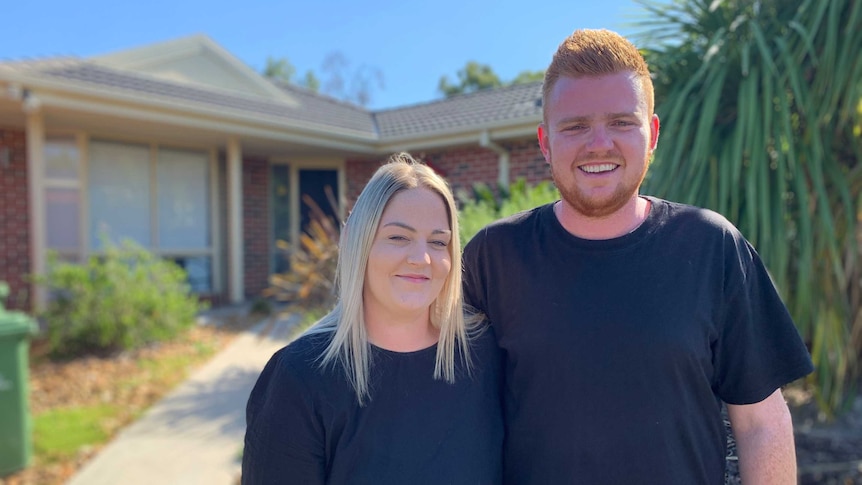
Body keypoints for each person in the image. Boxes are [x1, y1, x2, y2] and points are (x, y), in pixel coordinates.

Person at [462, 29, 814, 484]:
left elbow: (762, 422)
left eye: (622, 122)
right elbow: (450, 417)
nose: (599, 143)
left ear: (651, 134)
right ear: (545, 141)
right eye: (575, 126)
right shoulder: (494, 259)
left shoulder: (711, 248)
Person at [242, 153, 503, 485]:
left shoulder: (483, 355)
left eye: (438, 242)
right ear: (357, 241)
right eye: (398, 237)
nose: (422, 259)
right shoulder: (299, 378)